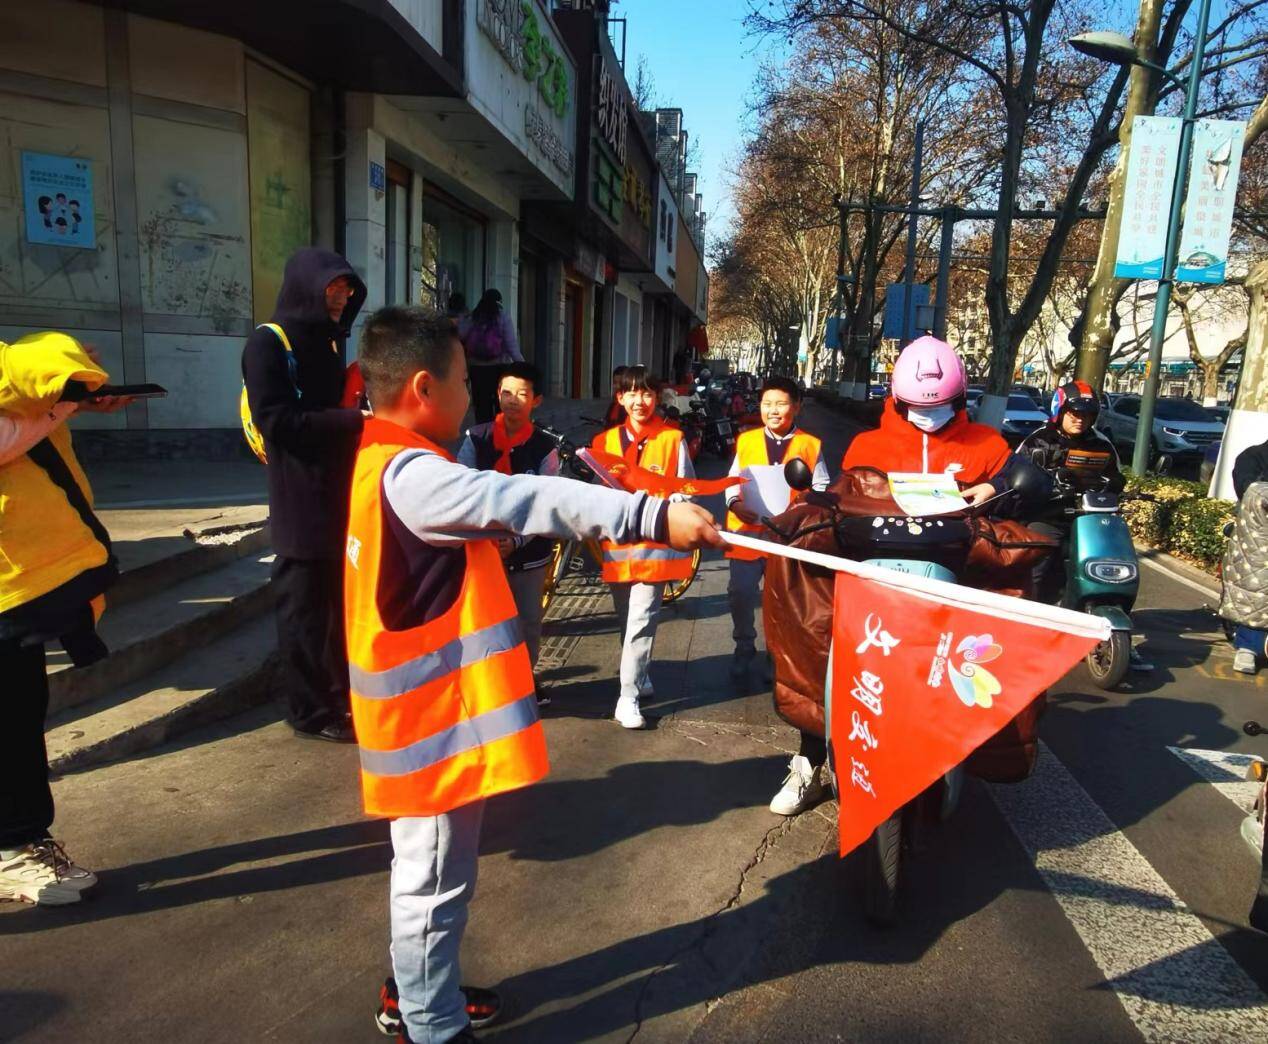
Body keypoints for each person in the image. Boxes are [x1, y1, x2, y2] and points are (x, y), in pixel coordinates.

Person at [345, 306, 720, 1044]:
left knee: (425, 878)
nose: (475, 398)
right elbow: (528, 498)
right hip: (432, 728)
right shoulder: (414, 475)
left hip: (420, 720)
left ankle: (417, 993)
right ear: (424, 386)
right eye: (465, 381)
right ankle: (430, 1023)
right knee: (435, 883)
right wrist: (648, 515)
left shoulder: (374, 453)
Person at [0, 333, 131, 905]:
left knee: (19, 708)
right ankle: (15, 847)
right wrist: (63, 403)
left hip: (16, 577)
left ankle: (18, 841)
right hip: (9, 576)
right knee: (10, 716)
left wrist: (67, 393)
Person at [242, 247, 367, 743]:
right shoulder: (266, 344)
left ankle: (338, 697)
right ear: (306, 288)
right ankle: (307, 710)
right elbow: (277, 420)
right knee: (303, 610)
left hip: (340, 489)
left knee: (336, 606)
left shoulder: (331, 342)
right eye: (332, 287)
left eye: (346, 288)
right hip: (299, 495)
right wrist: (355, 421)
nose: (341, 296)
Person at [723, 378, 831, 816]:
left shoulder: (811, 444)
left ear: (796, 407)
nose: (772, 410)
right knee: (738, 593)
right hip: (748, 534)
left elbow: (823, 491)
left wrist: (801, 510)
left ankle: (775, 660)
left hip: (789, 539)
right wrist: (736, 505)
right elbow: (731, 484)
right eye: (767, 403)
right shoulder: (746, 440)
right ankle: (742, 644)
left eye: (780, 403)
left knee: (783, 606)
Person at [591, 365, 696, 729]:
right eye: (632, 393)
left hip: (654, 544)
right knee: (626, 619)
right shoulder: (603, 442)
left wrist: (676, 505)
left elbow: (686, 487)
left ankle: (628, 696)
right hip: (617, 545)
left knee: (641, 620)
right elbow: (594, 492)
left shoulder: (672, 439)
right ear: (620, 398)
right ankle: (640, 673)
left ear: (657, 398)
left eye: (647, 393)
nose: (640, 401)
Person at [457, 362, 557, 706]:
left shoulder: (545, 447)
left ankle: (526, 679)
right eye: (506, 392)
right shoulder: (476, 437)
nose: (513, 400)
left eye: (522, 394)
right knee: (483, 621)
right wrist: (486, 538)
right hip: (483, 551)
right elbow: (462, 492)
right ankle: (489, 685)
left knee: (528, 621)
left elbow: (545, 503)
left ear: (537, 401)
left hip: (529, 553)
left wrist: (515, 541)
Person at [841, 335, 1014, 505]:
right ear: (899, 402)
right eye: (919, 408)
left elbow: (1032, 486)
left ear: (959, 400)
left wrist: (996, 488)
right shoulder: (865, 448)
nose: (930, 416)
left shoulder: (987, 444)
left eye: (940, 406)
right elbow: (838, 504)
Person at [461, 289, 523, 424]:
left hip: (477, 369)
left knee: (482, 405)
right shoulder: (503, 317)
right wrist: (523, 366)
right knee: (501, 404)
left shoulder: (473, 317)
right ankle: (500, 435)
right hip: (499, 367)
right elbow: (512, 346)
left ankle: (484, 436)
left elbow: (461, 336)